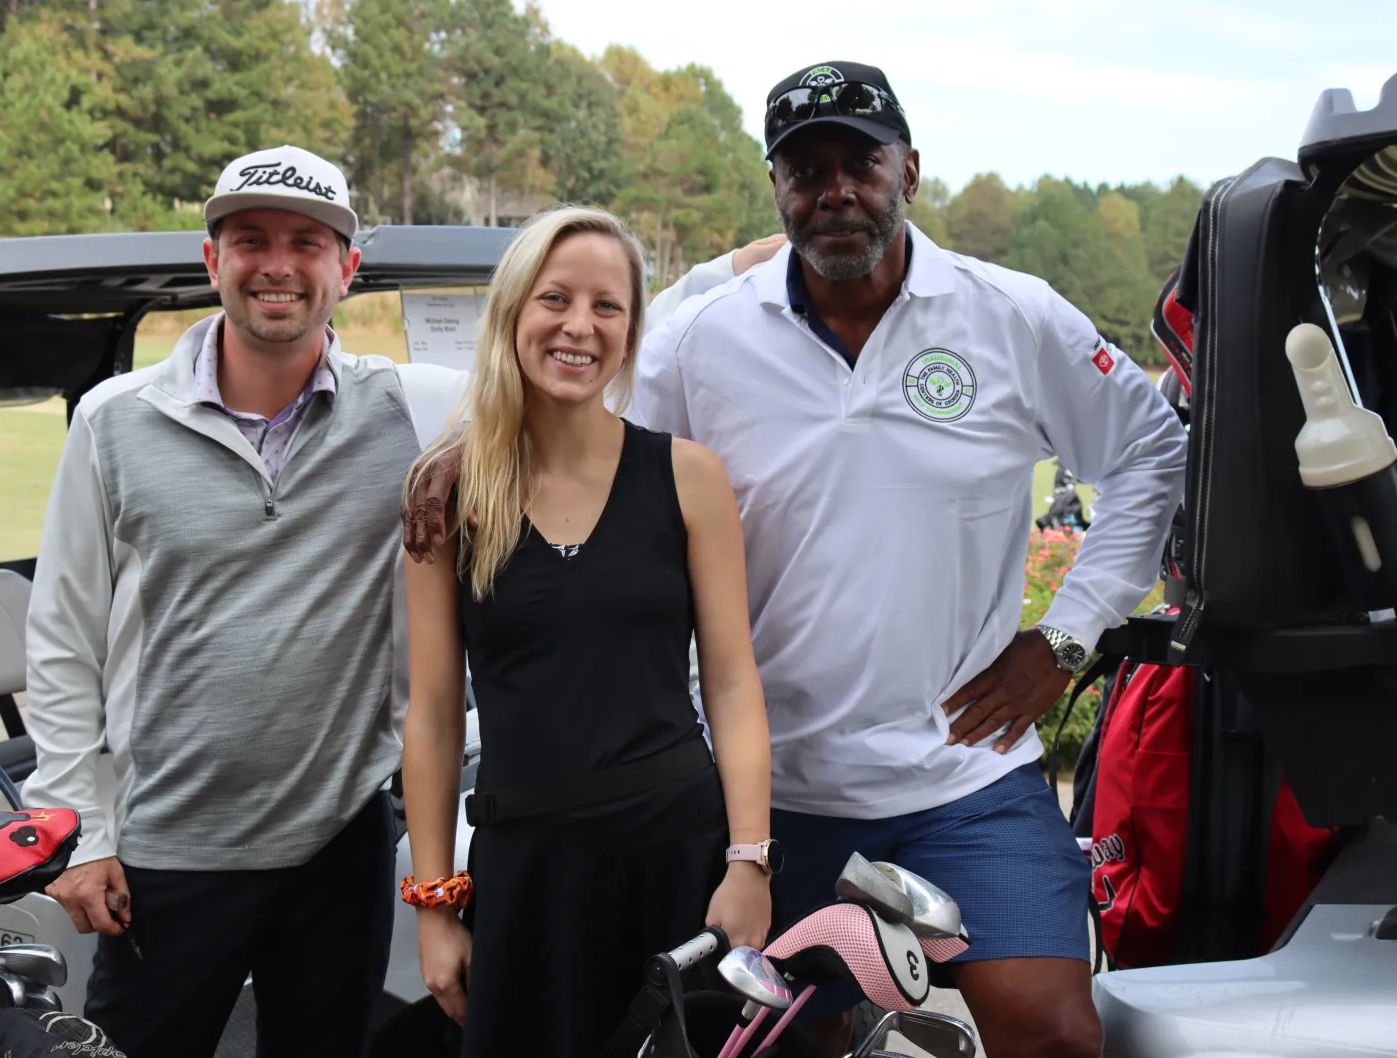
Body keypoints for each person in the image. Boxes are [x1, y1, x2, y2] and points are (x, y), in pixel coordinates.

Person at [403, 61, 1188, 1058]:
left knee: (1052, 1031)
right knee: (763, 1045)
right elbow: (576, 412)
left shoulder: (1011, 316)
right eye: (804, 168)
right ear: (775, 189)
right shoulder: (702, 340)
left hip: (966, 775)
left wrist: (1066, 634)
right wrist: (463, 449)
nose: (836, 190)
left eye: (861, 161)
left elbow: (1150, 450)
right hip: (774, 795)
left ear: (910, 168)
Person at [20, 144, 468, 1058]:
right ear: (210, 259)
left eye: (308, 242)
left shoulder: (411, 411)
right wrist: (79, 829)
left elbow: (572, 367)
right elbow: (64, 638)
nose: (278, 263)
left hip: (338, 845)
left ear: (346, 269)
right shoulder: (114, 420)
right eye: (251, 238)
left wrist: (733, 266)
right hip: (164, 855)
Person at [398, 205, 775, 1058]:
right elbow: (430, 714)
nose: (580, 326)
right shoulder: (446, 493)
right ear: (512, 313)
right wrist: (434, 905)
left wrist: (748, 861)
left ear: (634, 329)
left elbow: (732, 682)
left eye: (608, 306)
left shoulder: (687, 477)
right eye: (555, 298)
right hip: (527, 874)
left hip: (676, 858)